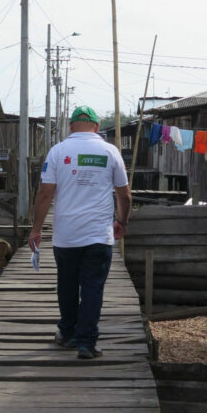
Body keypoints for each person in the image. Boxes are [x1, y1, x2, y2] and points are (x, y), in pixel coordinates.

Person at [29, 105, 131, 359]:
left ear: (72, 126)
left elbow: (45, 194)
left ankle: (67, 333)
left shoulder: (58, 151)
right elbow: (125, 195)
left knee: (67, 286)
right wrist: (121, 221)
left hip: (66, 236)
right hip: (98, 235)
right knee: (92, 288)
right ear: (97, 127)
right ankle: (86, 343)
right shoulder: (110, 152)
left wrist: (36, 229)